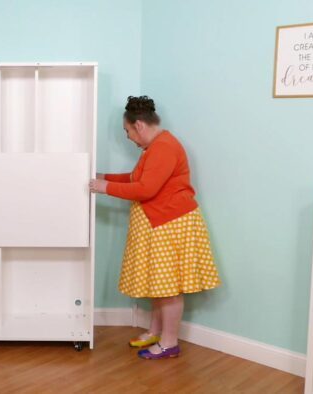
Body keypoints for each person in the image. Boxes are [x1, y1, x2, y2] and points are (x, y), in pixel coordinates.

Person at [89, 96, 220, 360]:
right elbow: (136, 178)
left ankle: (170, 342)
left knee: (168, 287)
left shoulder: (164, 147)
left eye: (127, 131)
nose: (128, 137)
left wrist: (105, 188)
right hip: (158, 223)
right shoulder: (155, 148)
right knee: (159, 284)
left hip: (169, 224)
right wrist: (104, 177)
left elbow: (146, 189)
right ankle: (156, 331)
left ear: (139, 125)